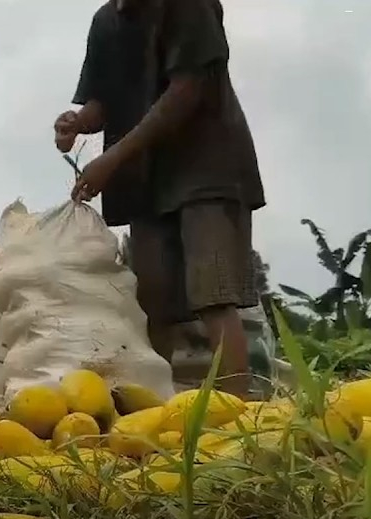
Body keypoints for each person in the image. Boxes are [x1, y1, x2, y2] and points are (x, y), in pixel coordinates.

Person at [54, 0, 265, 399]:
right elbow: (102, 102)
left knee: (214, 295)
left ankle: (241, 421)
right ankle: (161, 417)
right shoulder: (105, 21)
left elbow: (186, 91)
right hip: (146, 180)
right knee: (153, 306)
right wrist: (78, 123)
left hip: (208, 167)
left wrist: (111, 159)